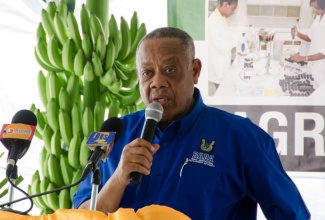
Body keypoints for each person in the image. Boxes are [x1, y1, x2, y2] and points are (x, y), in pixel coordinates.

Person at [73, 27, 311, 219]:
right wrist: (119, 177)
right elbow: (82, 215)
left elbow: (293, 215)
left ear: (195, 71)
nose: (157, 82)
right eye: (147, 73)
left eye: (169, 69)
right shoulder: (116, 133)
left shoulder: (243, 138)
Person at [207, 0, 242, 96]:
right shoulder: (213, 21)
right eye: (233, 9)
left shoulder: (220, 19)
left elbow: (226, 36)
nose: (233, 12)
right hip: (217, 69)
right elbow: (222, 46)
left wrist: (237, 37)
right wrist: (237, 41)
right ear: (226, 4)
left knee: (223, 95)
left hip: (222, 67)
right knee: (221, 97)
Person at [291, 0, 325, 87]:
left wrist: (303, 58)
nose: (314, 10)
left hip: (321, 67)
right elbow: (310, 37)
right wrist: (297, 33)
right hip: (312, 64)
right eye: (313, 7)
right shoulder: (318, 18)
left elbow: (323, 53)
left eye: (316, 8)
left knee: (319, 94)